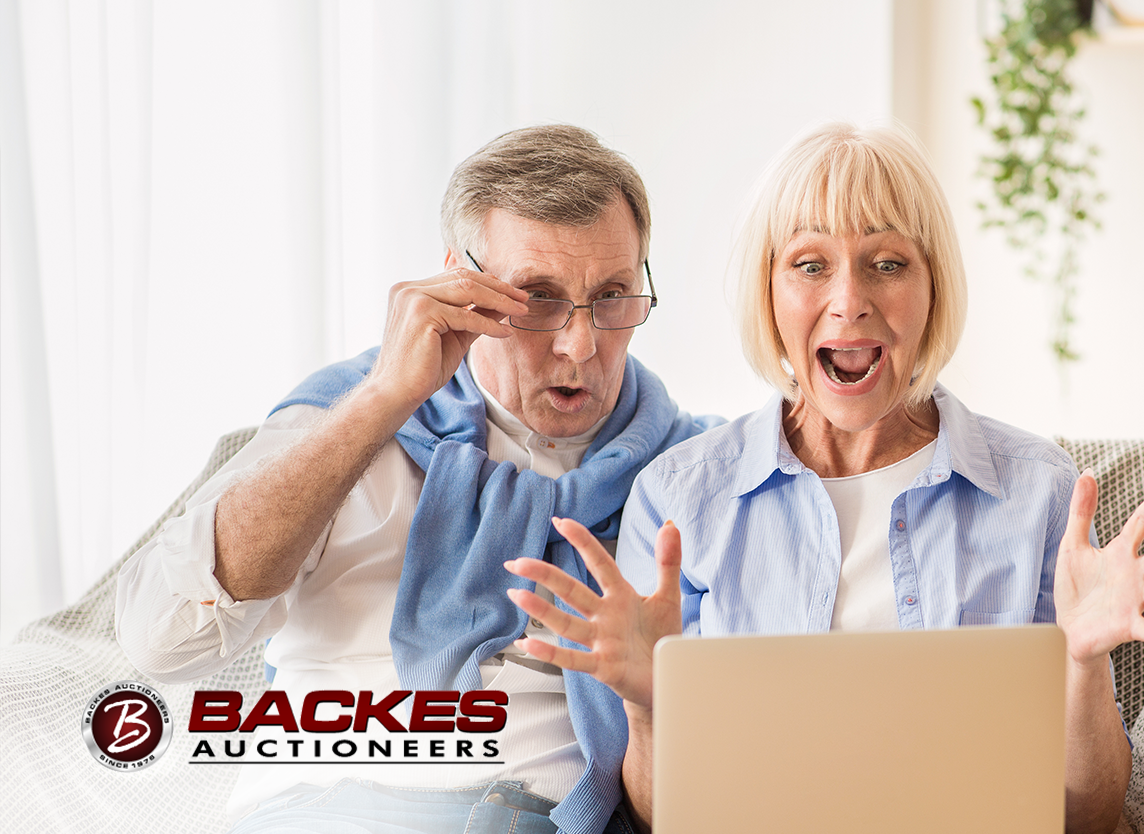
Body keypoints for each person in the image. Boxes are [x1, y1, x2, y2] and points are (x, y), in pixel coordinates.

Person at [502, 122, 1144, 833]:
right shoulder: (680, 499)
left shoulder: (1038, 491)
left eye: (886, 263)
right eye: (810, 264)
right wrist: (648, 705)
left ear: (932, 289)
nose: (849, 300)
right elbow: (667, 819)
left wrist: (1081, 663)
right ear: (770, 292)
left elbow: (1088, 821)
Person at [116, 125, 717, 834]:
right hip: (328, 805)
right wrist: (379, 403)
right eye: (538, 298)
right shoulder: (346, 413)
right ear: (463, 287)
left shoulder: (694, 470)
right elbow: (162, 640)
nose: (580, 344)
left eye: (613, 295)